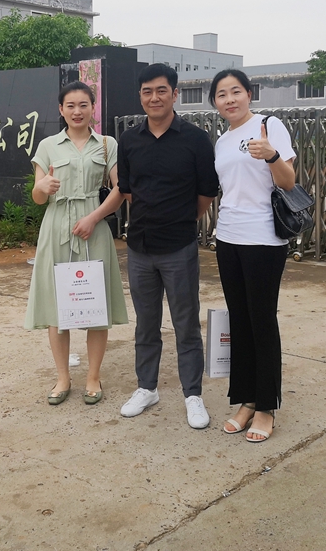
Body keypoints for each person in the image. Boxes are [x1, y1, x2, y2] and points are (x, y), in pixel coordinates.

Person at [116, 63, 219, 429]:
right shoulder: (129, 140)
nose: (154, 97)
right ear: (140, 96)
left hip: (179, 248)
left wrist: (181, 220)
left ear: (175, 94)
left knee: (186, 324)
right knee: (146, 324)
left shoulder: (195, 139)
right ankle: (147, 388)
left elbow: (206, 193)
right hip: (140, 248)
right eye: (147, 91)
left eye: (161, 90)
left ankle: (193, 395)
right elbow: (128, 191)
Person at [24, 81, 129, 406]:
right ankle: (62, 378)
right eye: (70, 105)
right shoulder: (48, 146)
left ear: (93, 107)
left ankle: (93, 377)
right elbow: (37, 197)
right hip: (57, 226)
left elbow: (120, 189)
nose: (77, 111)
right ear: (61, 109)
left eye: (83, 105)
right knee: (57, 305)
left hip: (93, 227)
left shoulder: (108, 144)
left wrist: (94, 218)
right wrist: (42, 187)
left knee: (95, 303)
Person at [210, 69, 297, 443]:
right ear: (215, 103)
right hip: (228, 238)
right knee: (240, 322)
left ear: (249, 93)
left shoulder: (269, 126)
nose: (229, 99)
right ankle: (245, 400)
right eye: (221, 94)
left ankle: (265, 407)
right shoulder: (222, 141)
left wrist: (272, 155)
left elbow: (288, 181)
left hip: (263, 239)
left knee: (262, 321)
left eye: (236, 91)